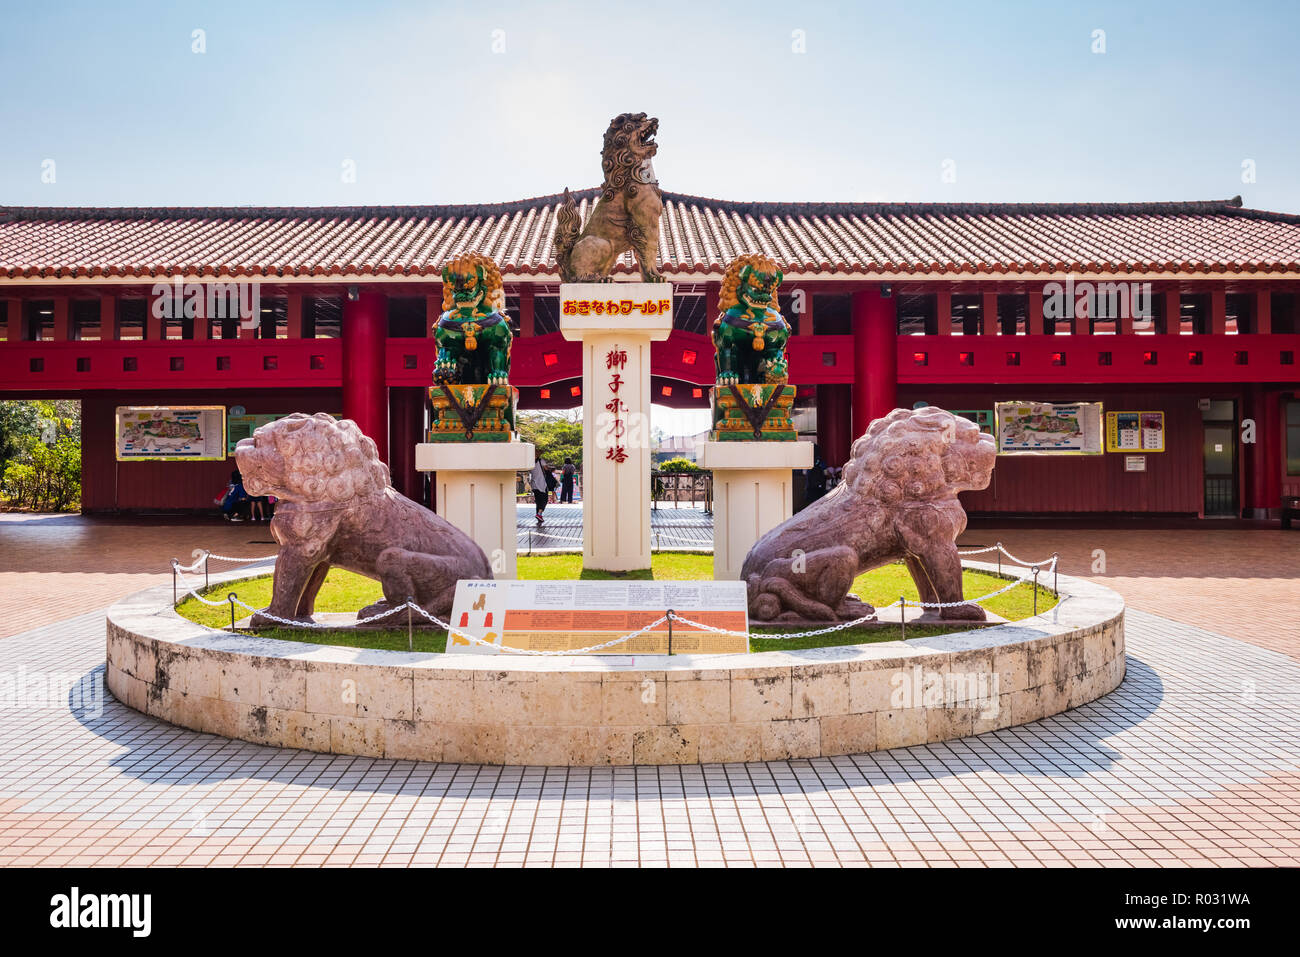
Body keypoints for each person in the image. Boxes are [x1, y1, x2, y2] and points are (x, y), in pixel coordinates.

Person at [530, 456, 550, 525]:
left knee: (538, 501)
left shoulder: (530, 461)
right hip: (541, 483)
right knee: (544, 499)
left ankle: (539, 515)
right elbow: (546, 469)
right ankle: (539, 514)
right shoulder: (541, 460)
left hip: (534, 483)